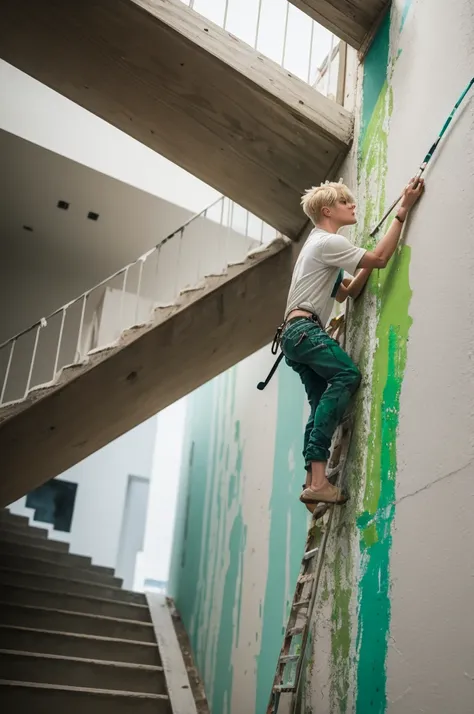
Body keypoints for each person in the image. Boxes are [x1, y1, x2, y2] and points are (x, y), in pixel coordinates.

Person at [280, 178, 425, 507]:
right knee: (347, 375)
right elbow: (381, 259)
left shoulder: (317, 248)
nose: (353, 206)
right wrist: (403, 210)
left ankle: (312, 480)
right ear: (328, 210)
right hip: (305, 330)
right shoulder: (327, 243)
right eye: (346, 202)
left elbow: (349, 291)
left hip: (294, 335)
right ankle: (318, 482)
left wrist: (363, 261)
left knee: (319, 404)